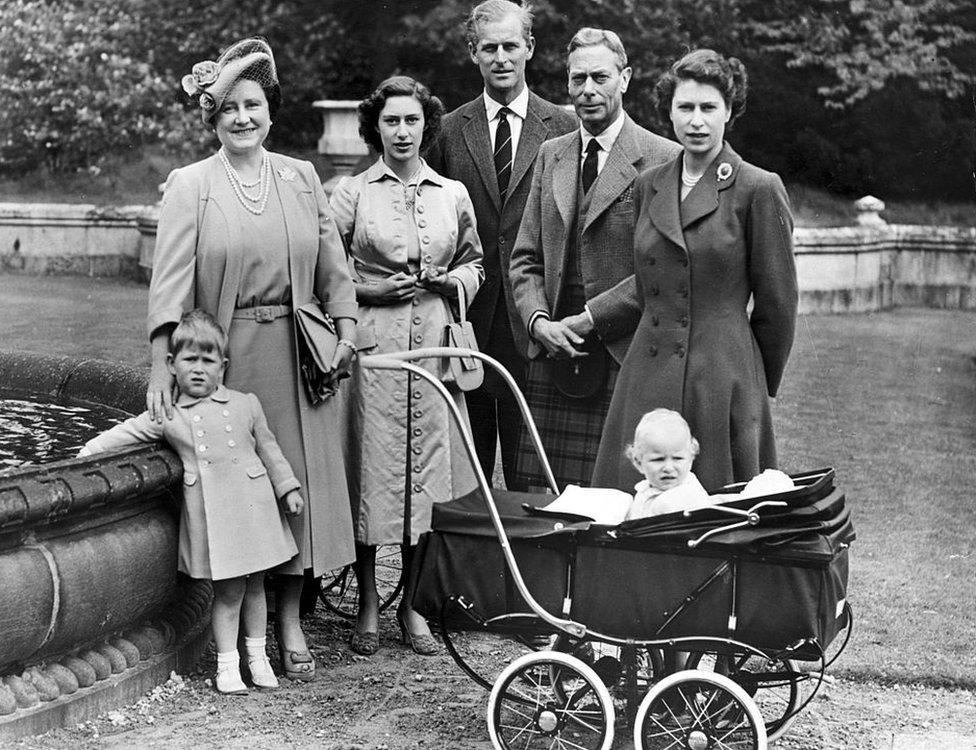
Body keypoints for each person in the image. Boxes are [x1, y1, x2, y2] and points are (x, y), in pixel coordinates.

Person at [147, 38, 358, 682]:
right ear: (213, 121)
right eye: (229, 109)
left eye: (254, 105)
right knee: (247, 494)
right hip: (231, 358)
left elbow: (333, 267)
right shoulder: (192, 186)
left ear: (271, 112)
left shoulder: (300, 176)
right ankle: (243, 639)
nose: (243, 118)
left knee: (298, 489)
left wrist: (345, 331)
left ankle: (291, 620)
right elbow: (170, 284)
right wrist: (163, 363)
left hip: (301, 358)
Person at [592, 49, 798, 493]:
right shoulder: (650, 183)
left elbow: (778, 305)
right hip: (648, 369)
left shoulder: (758, 188)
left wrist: (753, 381)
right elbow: (648, 287)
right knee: (635, 505)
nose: (697, 121)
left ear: (729, 111)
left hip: (722, 375)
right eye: (685, 108)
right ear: (669, 113)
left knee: (718, 512)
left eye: (709, 108)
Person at [331, 76, 484, 656]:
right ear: (376, 127)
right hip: (377, 354)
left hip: (439, 350)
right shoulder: (352, 194)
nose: (402, 131)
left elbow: (476, 264)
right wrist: (368, 291)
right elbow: (326, 274)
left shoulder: (452, 193)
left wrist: (453, 281)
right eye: (391, 121)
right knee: (375, 474)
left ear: (427, 125)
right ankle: (369, 603)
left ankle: (413, 605)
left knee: (427, 480)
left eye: (412, 121)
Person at [80, 311, 303, 695]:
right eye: (189, 360)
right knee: (229, 591)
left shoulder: (246, 404)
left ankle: (258, 658)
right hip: (216, 515)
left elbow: (270, 450)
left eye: (208, 360)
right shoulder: (170, 415)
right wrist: (85, 452)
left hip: (255, 509)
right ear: (171, 364)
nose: (199, 369)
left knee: (255, 587)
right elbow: (127, 433)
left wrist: (288, 488)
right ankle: (228, 663)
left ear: (223, 365)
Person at [508, 28, 680, 491]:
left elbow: (658, 270)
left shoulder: (663, 158)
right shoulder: (551, 155)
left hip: (623, 354)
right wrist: (538, 322)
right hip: (554, 351)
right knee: (545, 499)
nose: (587, 90)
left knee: (617, 498)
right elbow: (524, 259)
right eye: (577, 78)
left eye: (600, 77)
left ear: (624, 79)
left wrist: (588, 319)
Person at [425, 0, 577, 491]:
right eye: (489, 47)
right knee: (466, 478)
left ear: (529, 48)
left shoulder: (565, 128)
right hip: (466, 325)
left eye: (511, 45)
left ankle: (524, 569)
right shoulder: (447, 131)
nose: (501, 57)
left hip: (534, 324)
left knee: (529, 477)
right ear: (473, 53)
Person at [623, 409, 709, 521]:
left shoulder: (686, 497)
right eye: (658, 459)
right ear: (638, 462)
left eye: (677, 458)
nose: (668, 468)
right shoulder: (644, 491)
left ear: (691, 458)